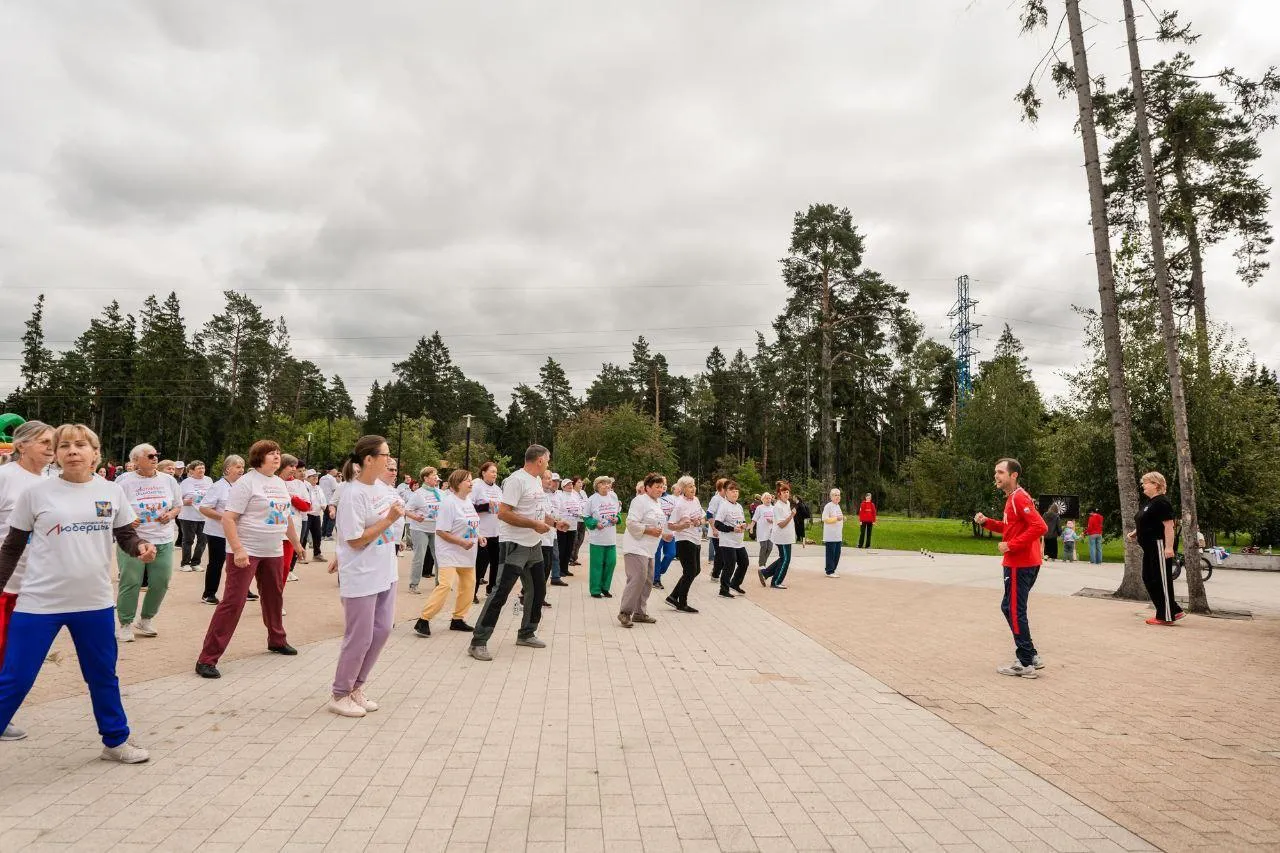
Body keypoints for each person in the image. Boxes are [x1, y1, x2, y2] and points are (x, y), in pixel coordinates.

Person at [0, 423, 155, 762]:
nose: (72, 450)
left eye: (80, 445)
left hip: (94, 603)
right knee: (15, 678)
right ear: (55, 455)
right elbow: (11, 548)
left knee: (102, 675)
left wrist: (140, 545)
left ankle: (115, 742)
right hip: (39, 603)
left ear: (95, 453)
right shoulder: (36, 494)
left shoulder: (111, 491)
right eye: (64, 445)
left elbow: (125, 534)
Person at [195, 440, 302, 679]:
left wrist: (295, 543)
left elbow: (285, 516)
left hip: (273, 549)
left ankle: (277, 640)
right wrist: (238, 549)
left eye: (278, 453)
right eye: (271, 454)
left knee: (274, 596)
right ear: (258, 458)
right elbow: (228, 519)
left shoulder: (279, 483)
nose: (276, 457)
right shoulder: (246, 483)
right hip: (246, 550)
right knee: (233, 602)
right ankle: (207, 658)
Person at [327, 436, 402, 717]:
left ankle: (356, 686)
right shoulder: (352, 493)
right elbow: (355, 540)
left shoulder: (380, 489)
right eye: (385, 455)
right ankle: (340, 692)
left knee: (381, 631)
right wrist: (389, 521)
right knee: (359, 637)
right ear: (369, 460)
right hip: (361, 574)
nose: (390, 460)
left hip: (385, 570)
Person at [468, 445, 553, 662]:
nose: (549, 463)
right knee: (500, 593)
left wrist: (554, 522)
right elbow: (504, 514)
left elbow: (537, 511)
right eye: (548, 459)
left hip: (533, 546)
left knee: (537, 591)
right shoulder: (517, 480)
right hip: (514, 545)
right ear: (540, 460)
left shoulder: (535, 480)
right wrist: (534, 525)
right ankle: (478, 641)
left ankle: (526, 633)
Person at [0, 420, 53, 742]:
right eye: (43, 441)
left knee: (15, 658)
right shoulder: (5, 478)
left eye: (53, 441)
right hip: (6, 584)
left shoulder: (53, 481)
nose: (51, 446)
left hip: (39, 589)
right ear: (21, 445)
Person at [974, 458, 1048, 679]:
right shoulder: (1013, 499)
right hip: (1022, 562)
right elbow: (1010, 528)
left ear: (1013, 475)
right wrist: (987, 522)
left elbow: (1040, 526)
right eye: (995, 472)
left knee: (1015, 610)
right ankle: (1031, 654)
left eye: (1000, 472)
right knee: (1009, 607)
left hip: (1020, 563)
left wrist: (1011, 546)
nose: (996, 476)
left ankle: (1025, 663)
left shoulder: (1019, 498)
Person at [115, 443, 182, 642]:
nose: (155, 459)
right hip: (133, 542)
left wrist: (170, 514)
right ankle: (125, 624)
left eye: (156, 455)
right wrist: (127, 519)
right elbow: (113, 508)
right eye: (150, 456)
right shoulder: (124, 481)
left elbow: (178, 506)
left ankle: (145, 620)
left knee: (161, 582)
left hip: (163, 539)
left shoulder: (169, 480)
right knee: (131, 582)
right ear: (135, 460)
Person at [413, 469, 482, 637]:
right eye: (468, 480)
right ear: (458, 483)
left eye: (471, 479)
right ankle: (423, 620)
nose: (471, 483)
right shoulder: (448, 503)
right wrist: (461, 542)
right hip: (450, 551)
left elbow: (470, 524)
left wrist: (479, 536)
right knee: (445, 585)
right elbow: (441, 531)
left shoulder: (468, 501)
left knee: (468, 585)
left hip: (467, 552)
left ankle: (458, 619)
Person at [1129, 472, 1185, 626]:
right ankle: (1174, 609)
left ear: (1156, 484)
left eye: (1146, 483)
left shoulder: (1162, 502)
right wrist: (1136, 532)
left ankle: (1166, 616)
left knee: (1161, 580)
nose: (1143, 485)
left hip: (1159, 546)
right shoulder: (1150, 502)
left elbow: (1169, 526)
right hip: (1149, 548)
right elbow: (1147, 521)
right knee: (1148, 578)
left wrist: (1168, 548)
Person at [619, 473, 667, 626]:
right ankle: (625, 613)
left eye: (662, 487)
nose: (661, 489)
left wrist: (664, 535)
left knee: (647, 580)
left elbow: (658, 524)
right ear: (647, 488)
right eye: (657, 487)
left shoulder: (657, 503)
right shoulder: (640, 501)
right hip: (635, 547)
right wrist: (648, 530)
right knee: (637, 578)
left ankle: (640, 612)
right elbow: (631, 522)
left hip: (649, 549)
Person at [198, 455, 244, 606]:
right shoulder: (218, 486)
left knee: (241, 562)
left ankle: (242, 591)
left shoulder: (242, 486)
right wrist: (224, 517)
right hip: (217, 532)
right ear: (227, 469)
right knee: (216, 563)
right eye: (238, 467)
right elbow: (204, 508)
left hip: (238, 532)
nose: (241, 470)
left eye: (242, 467)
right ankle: (209, 593)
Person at [664, 476, 703, 613]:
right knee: (690, 571)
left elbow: (702, 516)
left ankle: (673, 596)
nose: (693, 488)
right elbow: (671, 524)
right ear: (682, 489)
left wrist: (699, 521)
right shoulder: (680, 504)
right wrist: (681, 525)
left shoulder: (696, 500)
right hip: (684, 540)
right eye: (690, 486)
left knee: (696, 570)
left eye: (693, 485)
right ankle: (682, 603)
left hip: (696, 538)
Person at [405, 466, 443, 593]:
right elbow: (406, 510)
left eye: (436, 474)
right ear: (426, 478)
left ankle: (440, 583)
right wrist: (416, 517)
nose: (436, 477)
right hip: (420, 529)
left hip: (436, 530)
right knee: (419, 557)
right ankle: (413, 585)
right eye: (433, 475)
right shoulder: (418, 494)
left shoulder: (440, 493)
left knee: (439, 556)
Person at [584, 475, 621, 599]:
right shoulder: (592, 499)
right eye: (604, 483)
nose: (607, 485)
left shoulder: (614, 496)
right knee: (597, 564)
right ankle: (595, 590)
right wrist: (595, 523)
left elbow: (618, 513)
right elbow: (586, 517)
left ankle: (605, 588)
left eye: (608, 483)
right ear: (598, 485)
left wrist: (617, 519)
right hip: (597, 539)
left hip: (611, 538)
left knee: (611, 562)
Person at [471, 462, 503, 601]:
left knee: (496, 563)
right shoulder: (477, 486)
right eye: (492, 471)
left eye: (496, 472)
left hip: (496, 532)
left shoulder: (498, 489)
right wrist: (485, 506)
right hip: (482, 533)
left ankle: (491, 590)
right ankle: (473, 592)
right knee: (481, 565)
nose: (494, 474)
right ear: (483, 472)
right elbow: (469, 507)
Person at [713, 480, 749, 598]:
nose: (735, 493)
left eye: (737, 491)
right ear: (726, 492)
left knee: (744, 562)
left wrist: (744, 525)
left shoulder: (739, 506)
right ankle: (723, 589)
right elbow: (717, 524)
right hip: (727, 542)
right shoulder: (724, 506)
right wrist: (732, 529)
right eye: (732, 491)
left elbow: (741, 521)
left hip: (739, 541)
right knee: (730, 565)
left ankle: (735, 584)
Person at [280, 455, 311, 583]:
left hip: (292, 530)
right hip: (274, 530)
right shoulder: (273, 481)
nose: (294, 469)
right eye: (291, 466)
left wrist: (292, 498)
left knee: (285, 566)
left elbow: (307, 506)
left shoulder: (299, 484)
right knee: (272, 567)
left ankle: (276, 595)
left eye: (295, 466)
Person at [178, 460, 213, 571]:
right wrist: (184, 502)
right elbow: (177, 499)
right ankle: (185, 564)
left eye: (203, 468)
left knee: (203, 540)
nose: (202, 470)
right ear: (192, 471)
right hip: (188, 516)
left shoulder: (209, 480)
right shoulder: (186, 482)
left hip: (204, 516)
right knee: (188, 540)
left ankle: (195, 563)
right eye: (199, 468)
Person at [759, 481, 796, 588]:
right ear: (779, 494)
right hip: (782, 537)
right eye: (784, 492)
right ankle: (776, 582)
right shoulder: (777, 507)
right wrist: (791, 515)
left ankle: (765, 573)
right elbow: (781, 524)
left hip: (787, 536)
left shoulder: (787, 503)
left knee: (783, 558)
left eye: (787, 492)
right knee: (785, 559)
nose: (786, 494)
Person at [555, 475, 582, 582]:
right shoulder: (560, 495)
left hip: (573, 525)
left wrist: (578, 513)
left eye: (571, 484)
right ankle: (560, 569)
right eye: (568, 484)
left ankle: (565, 569)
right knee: (562, 548)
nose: (570, 486)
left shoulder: (575, 496)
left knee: (569, 548)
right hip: (563, 525)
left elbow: (579, 507)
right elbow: (559, 508)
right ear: (563, 486)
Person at [652, 479, 678, 589]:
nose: (663, 487)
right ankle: (656, 580)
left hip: (669, 532)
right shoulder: (652, 499)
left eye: (665, 484)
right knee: (656, 556)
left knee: (671, 554)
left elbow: (677, 513)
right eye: (660, 485)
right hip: (656, 532)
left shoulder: (672, 499)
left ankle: (658, 571)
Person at [299, 470, 327, 562]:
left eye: (316, 476)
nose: (315, 477)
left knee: (318, 536)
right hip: (307, 515)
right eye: (313, 476)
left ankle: (317, 554)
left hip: (316, 515)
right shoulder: (306, 487)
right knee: (304, 536)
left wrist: (325, 509)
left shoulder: (319, 488)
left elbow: (323, 501)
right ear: (307, 478)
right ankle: (300, 556)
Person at [706, 478, 727, 572]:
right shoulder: (716, 499)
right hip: (716, 531)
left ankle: (715, 571)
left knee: (723, 555)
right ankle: (715, 573)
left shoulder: (727, 499)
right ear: (720, 489)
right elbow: (709, 514)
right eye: (725, 487)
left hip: (725, 531)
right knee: (720, 554)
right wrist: (714, 529)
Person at [822, 488, 845, 577]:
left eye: (838, 495)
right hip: (830, 535)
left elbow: (839, 517)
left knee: (837, 553)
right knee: (831, 553)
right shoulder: (828, 506)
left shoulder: (838, 506)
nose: (837, 497)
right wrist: (836, 519)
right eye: (835, 495)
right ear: (831, 496)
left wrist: (843, 518)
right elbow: (824, 519)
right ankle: (829, 571)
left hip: (838, 535)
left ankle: (833, 569)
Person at [750, 492, 775, 569]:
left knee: (770, 548)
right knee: (764, 547)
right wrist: (751, 528)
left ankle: (763, 562)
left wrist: (772, 521)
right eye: (766, 498)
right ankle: (761, 564)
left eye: (769, 498)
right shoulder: (759, 508)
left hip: (771, 531)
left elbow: (777, 520)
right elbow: (754, 519)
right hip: (762, 531)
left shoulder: (773, 508)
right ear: (762, 499)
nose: (768, 500)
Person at [570, 476, 587, 567]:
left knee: (581, 538)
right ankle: (571, 558)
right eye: (579, 482)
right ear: (574, 483)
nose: (581, 484)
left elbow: (587, 503)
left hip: (583, 518)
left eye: (581, 482)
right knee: (575, 539)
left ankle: (574, 557)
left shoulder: (583, 493)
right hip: (575, 519)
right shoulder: (572, 493)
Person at [319, 468, 339, 539]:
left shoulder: (322, 478)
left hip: (324, 501)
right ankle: (328, 535)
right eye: (335, 470)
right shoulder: (332, 479)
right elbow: (335, 489)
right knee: (332, 518)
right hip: (331, 501)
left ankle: (323, 534)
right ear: (331, 471)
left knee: (326, 517)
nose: (336, 472)